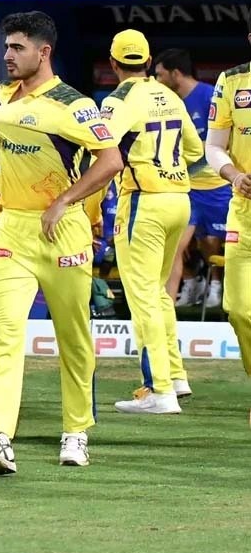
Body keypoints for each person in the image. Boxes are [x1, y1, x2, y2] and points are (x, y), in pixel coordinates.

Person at [0, 11, 124, 475]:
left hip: (61, 230)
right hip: (12, 228)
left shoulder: (74, 104)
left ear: (43, 52)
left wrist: (64, 201)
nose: (7, 56)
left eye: (17, 48)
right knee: (4, 334)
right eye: (7, 46)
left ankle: (76, 431)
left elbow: (111, 161)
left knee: (73, 337)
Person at [100, 31, 203, 414]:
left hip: (144, 201)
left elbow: (102, 147)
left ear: (113, 63)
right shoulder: (169, 94)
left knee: (142, 297)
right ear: (147, 61)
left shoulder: (118, 100)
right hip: (179, 199)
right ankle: (175, 376)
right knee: (157, 292)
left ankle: (159, 389)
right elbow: (194, 148)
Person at [155, 48, 230, 310]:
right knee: (175, 246)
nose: (157, 80)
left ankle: (216, 284)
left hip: (219, 187)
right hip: (187, 191)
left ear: (176, 73)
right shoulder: (168, 102)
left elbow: (223, 142)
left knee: (211, 244)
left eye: (160, 75)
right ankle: (175, 299)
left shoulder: (210, 96)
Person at [205, 15, 251, 411]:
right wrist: (234, 175)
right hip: (245, 213)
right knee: (237, 308)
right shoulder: (232, 82)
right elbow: (214, 146)